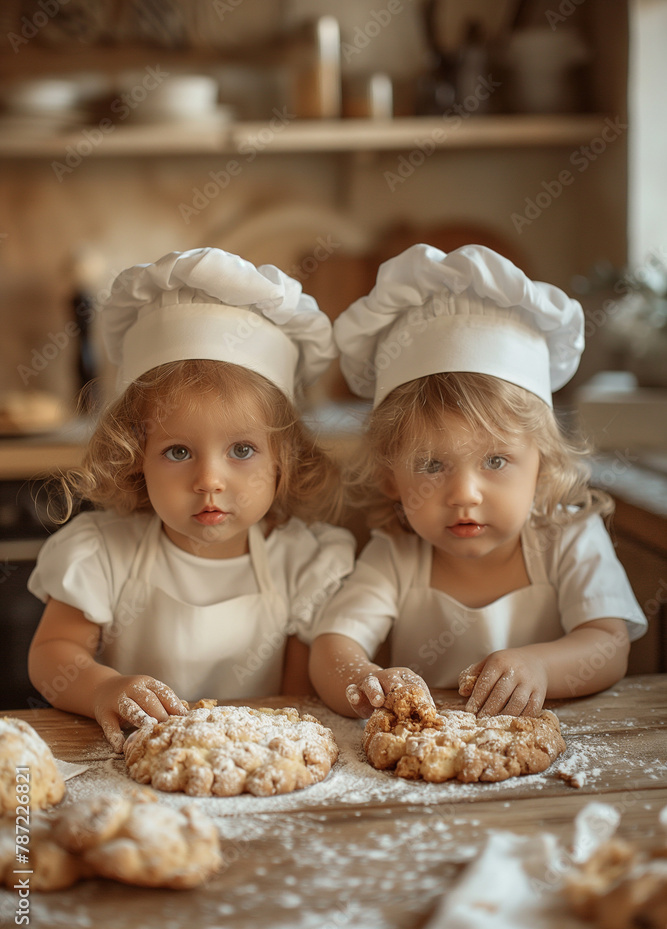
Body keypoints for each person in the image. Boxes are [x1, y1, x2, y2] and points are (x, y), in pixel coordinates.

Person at [28, 247, 355, 750]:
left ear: (282, 459)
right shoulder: (101, 553)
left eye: (241, 450)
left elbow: (296, 706)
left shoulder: (302, 564)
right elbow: (53, 654)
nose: (209, 481)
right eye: (178, 451)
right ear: (135, 456)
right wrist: (103, 688)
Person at [309, 244, 647, 719]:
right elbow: (331, 647)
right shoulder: (397, 555)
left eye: (495, 460)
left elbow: (608, 645)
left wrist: (540, 666)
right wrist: (364, 678)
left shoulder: (569, 537)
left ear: (543, 465)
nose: (464, 494)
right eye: (431, 465)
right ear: (389, 478)